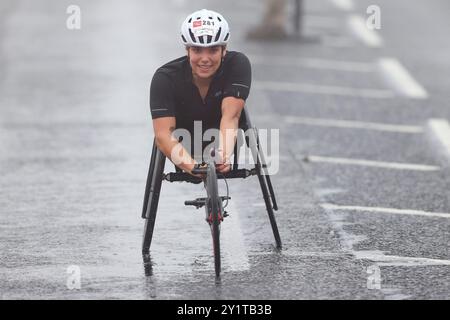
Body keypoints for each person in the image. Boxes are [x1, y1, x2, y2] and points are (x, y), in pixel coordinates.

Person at [149, 9, 251, 176]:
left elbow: (231, 116)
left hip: (221, 136)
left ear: (224, 50)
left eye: (212, 50)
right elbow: (162, 134)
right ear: (187, 50)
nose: (205, 58)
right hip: (183, 142)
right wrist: (194, 168)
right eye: (197, 50)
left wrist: (223, 157)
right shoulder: (165, 77)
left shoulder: (237, 64)